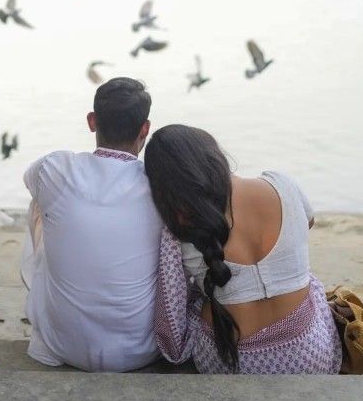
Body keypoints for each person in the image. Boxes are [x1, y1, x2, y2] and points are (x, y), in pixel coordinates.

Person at [144, 125, 341, 374]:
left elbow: (171, 307)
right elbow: (307, 223)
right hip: (310, 355)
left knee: (199, 298)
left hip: (230, 361)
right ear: (215, 155)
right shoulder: (283, 184)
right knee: (309, 282)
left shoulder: (178, 229)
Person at [21, 77, 163, 371]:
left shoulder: (55, 168)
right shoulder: (160, 182)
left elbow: (29, 181)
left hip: (64, 344)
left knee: (40, 205)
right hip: (140, 350)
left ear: (91, 121)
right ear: (145, 129)